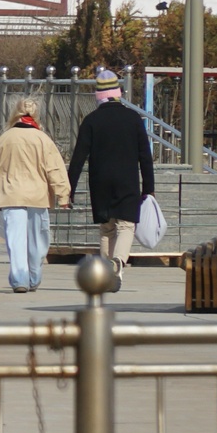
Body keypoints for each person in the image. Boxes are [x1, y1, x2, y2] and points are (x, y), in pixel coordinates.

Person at [67, 69, 154, 291]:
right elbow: (145, 156)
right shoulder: (133, 119)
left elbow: (78, 158)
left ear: (98, 95)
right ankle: (118, 262)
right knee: (126, 226)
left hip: (100, 182)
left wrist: (70, 189)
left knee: (107, 228)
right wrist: (149, 188)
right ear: (119, 93)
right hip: (127, 181)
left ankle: (106, 272)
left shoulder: (91, 121)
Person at [0, 96, 70, 293]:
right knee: (38, 241)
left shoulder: (4, 139)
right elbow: (55, 170)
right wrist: (63, 195)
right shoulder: (43, 139)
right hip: (38, 196)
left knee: (15, 240)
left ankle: (20, 279)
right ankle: (34, 276)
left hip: (11, 195)